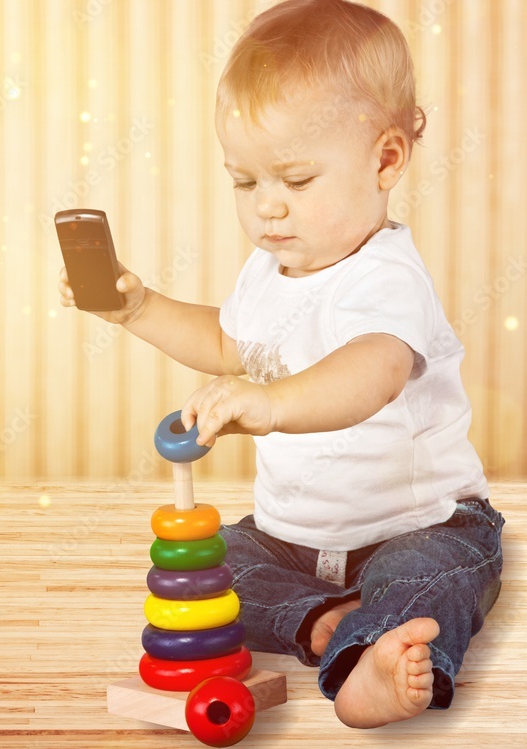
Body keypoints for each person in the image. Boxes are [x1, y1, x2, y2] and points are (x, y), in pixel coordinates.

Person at [57, 0, 504, 729]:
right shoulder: (271, 269)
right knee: (214, 561)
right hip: (295, 538)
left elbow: (372, 372)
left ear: (386, 159)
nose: (268, 208)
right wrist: (139, 310)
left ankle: (373, 661)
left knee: (432, 579)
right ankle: (328, 622)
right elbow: (236, 347)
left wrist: (269, 404)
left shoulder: (385, 277)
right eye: (246, 182)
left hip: (420, 524)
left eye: (296, 181)